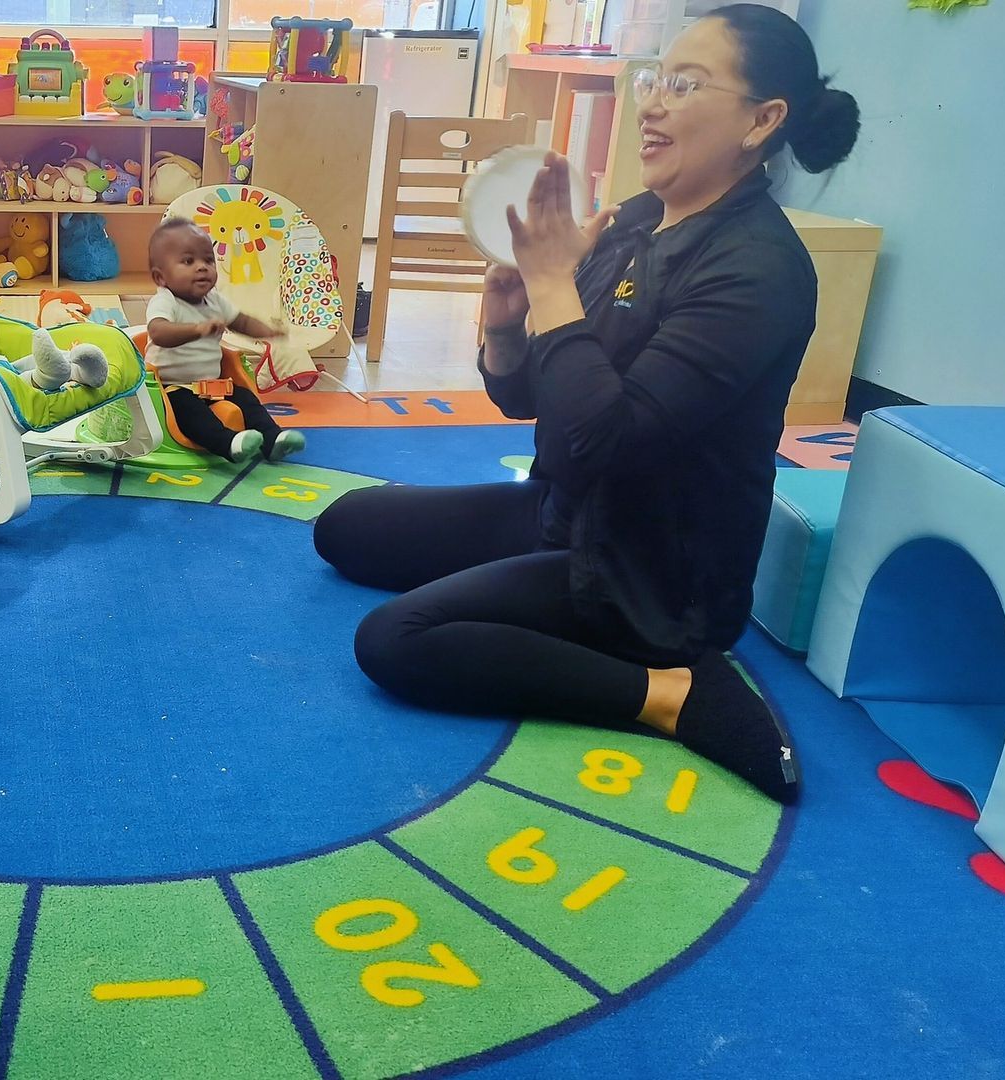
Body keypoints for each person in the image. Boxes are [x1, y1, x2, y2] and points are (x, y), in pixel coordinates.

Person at [313, 4, 859, 803]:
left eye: (687, 83)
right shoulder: (636, 220)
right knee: (347, 527)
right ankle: (538, 593)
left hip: (652, 579)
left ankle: (669, 694)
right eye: (656, 78)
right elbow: (539, 402)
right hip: (566, 511)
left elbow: (596, 441)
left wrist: (550, 284)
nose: (654, 101)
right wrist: (506, 334)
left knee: (396, 641)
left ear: (762, 120)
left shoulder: (759, 271)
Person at [144, 218, 305, 463]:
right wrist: (197, 329)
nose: (202, 267)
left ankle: (273, 440)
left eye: (208, 260)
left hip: (214, 385)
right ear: (161, 277)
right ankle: (227, 443)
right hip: (173, 387)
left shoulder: (215, 300)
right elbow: (158, 332)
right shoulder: (166, 302)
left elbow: (240, 321)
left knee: (247, 400)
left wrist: (268, 330)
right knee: (191, 413)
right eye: (188, 261)